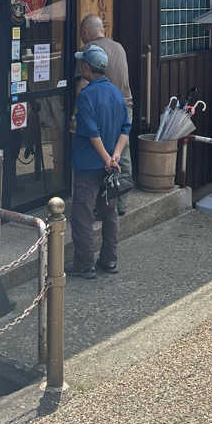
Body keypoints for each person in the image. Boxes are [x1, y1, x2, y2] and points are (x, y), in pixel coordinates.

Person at [67, 44, 131, 279]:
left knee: (82, 215)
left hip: (88, 165)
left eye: (82, 63)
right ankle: (109, 259)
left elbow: (91, 133)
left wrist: (105, 158)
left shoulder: (86, 96)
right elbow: (126, 128)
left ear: (87, 67)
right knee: (109, 213)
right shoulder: (115, 92)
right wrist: (115, 156)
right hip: (110, 166)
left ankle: (84, 264)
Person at [77, 14, 133, 214]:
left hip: (102, 108)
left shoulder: (89, 51)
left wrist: (76, 113)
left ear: (85, 32)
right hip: (125, 105)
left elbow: (83, 84)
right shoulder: (119, 47)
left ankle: (101, 204)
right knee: (122, 155)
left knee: (101, 155)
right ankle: (121, 203)